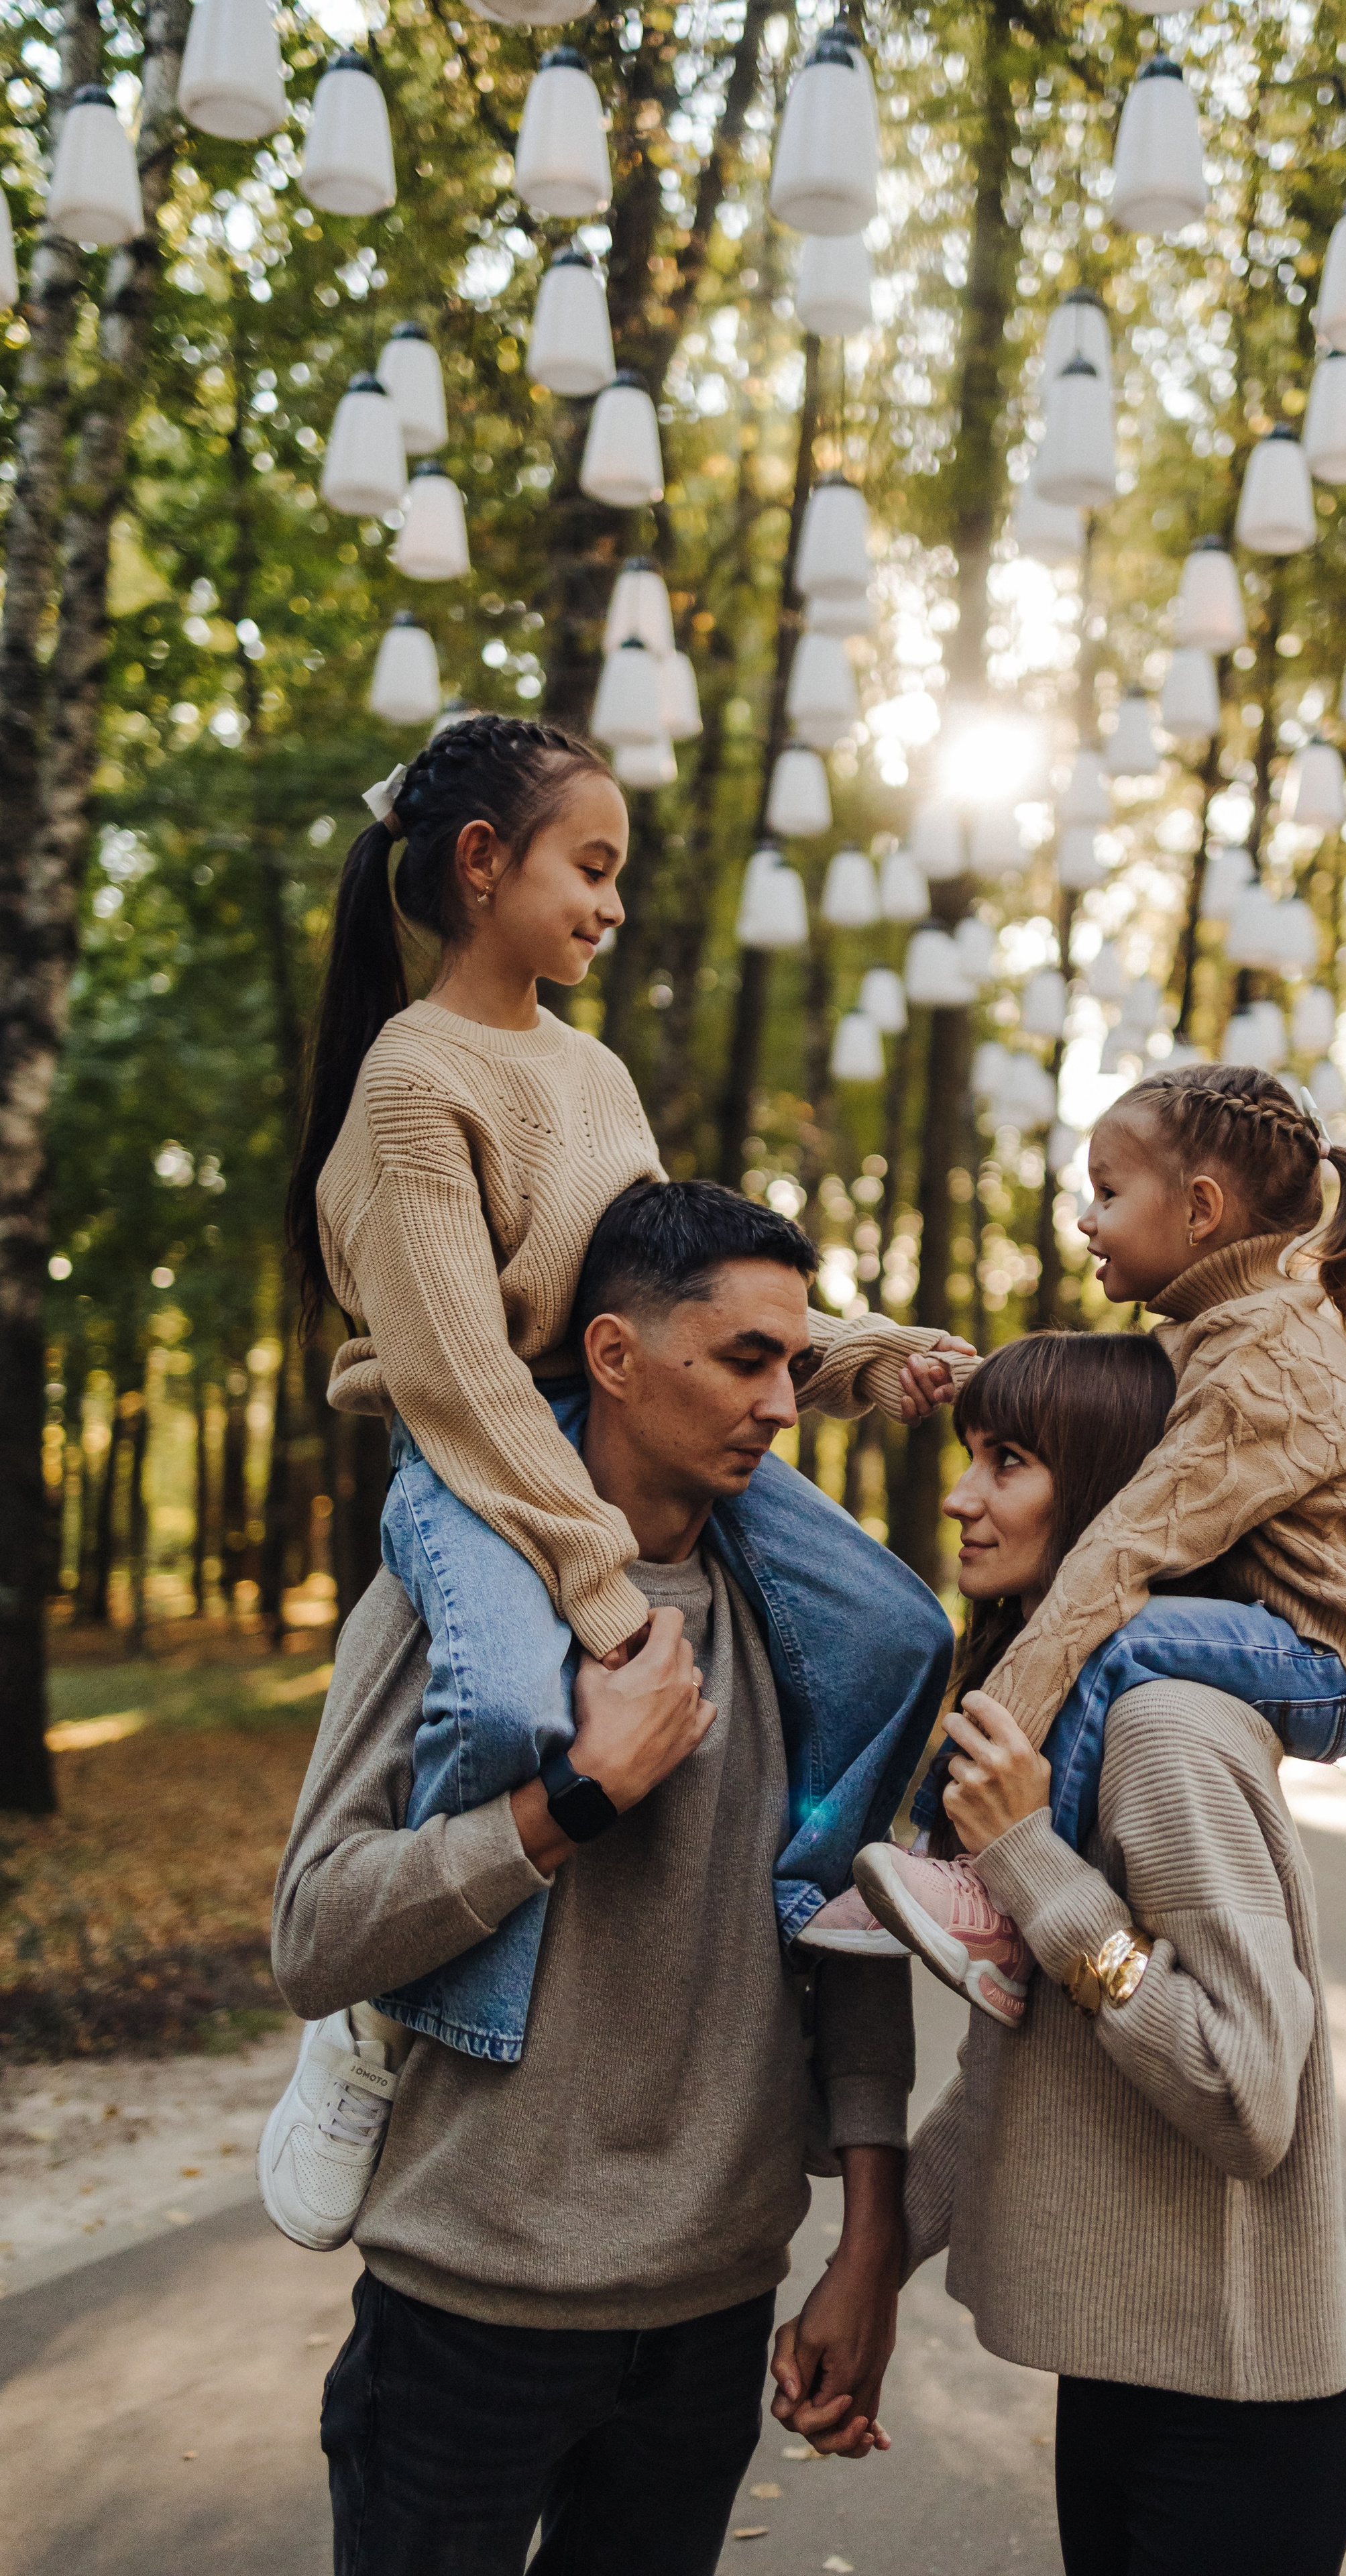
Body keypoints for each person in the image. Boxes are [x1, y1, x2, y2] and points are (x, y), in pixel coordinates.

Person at [263, 715, 964, 2245]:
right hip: (474, 1450)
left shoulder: (587, 1070)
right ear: (477, 864)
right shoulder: (409, 1079)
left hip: (596, 1400)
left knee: (895, 1629)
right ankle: (383, 2022)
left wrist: (856, 1361)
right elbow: (457, 1375)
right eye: (589, 867)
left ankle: (802, 1902)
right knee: (518, 1704)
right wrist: (595, 1584)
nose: (611, 903)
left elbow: (673, 1292)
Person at [271, 1183, 933, 2575]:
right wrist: (568, 1805)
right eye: (743, 1360)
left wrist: (867, 2238)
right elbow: (316, 1931)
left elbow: (845, 1925)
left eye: (792, 1366)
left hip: (707, 2319)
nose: (779, 1406)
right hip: (467, 2311)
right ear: (616, 1358)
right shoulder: (458, 1607)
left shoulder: (805, 1635)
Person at [887, 1331, 1346, 2576]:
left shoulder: (1164, 1733)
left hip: (1233, 2427)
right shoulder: (1079, 1728)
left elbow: (1246, 2096)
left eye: (1010, 1462)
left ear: (1111, 1497)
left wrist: (1036, 1868)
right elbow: (1030, 2062)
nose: (962, 1496)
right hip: (1133, 2390)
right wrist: (873, 2257)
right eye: (969, 1455)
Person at [856, 1062, 1346, 2022]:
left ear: (1200, 1207)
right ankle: (932, 1860)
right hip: (1266, 1628)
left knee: (1114, 1634)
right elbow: (1115, 1398)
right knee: (1113, 1627)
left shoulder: (1267, 1358)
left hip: (1326, 1658)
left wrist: (990, 1772)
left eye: (1108, 1194)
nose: (1086, 1220)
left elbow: (1126, 1546)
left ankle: (996, 1898)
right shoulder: (1230, 1326)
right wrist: (969, 1380)